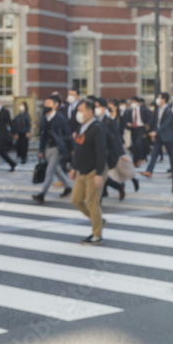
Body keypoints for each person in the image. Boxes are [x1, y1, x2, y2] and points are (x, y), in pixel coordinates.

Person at [69, 99, 107, 245]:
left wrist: (98, 173)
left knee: (92, 203)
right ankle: (98, 220)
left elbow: (101, 151)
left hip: (93, 170)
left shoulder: (97, 127)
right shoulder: (81, 126)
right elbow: (78, 149)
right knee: (76, 200)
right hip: (82, 170)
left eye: (81, 110)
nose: (78, 113)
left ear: (90, 112)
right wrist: (73, 167)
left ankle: (97, 235)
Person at [32, 95, 73, 204]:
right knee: (56, 170)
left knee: (49, 171)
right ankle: (68, 187)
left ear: (55, 106)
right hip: (47, 149)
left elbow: (67, 133)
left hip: (57, 149)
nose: (46, 106)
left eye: (49, 104)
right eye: (45, 104)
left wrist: (72, 149)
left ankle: (42, 194)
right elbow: (42, 135)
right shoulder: (44, 118)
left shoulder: (60, 118)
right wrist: (41, 150)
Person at [143, 92, 173, 178]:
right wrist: (153, 133)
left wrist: (156, 131)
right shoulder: (157, 109)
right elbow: (155, 123)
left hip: (167, 135)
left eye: (159, 97)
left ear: (164, 100)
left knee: (171, 154)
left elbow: (166, 123)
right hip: (158, 136)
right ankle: (149, 171)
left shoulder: (168, 110)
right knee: (154, 154)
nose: (158, 99)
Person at [125, 95, 151, 169]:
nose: (132, 103)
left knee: (138, 144)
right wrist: (128, 124)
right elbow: (127, 121)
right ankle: (135, 160)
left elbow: (150, 119)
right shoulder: (130, 111)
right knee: (134, 145)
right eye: (131, 102)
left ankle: (139, 159)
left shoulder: (143, 110)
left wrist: (147, 126)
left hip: (141, 128)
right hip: (134, 129)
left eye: (134, 102)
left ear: (137, 102)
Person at [12, 100, 32, 164]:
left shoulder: (26, 115)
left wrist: (28, 131)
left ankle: (24, 158)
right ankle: (19, 156)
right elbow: (14, 123)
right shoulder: (18, 115)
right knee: (19, 146)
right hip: (18, 132)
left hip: (24, 132)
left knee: (24, 146)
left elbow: (28, 124)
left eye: (22, 105)